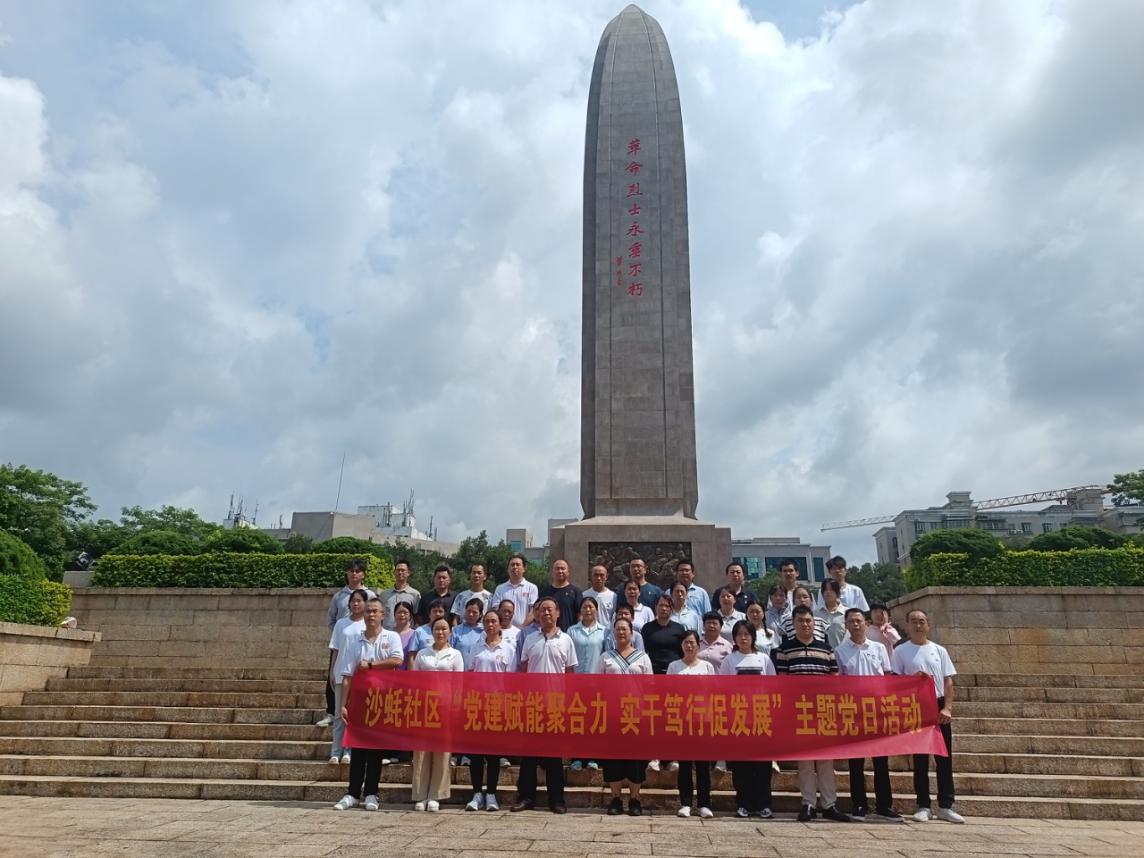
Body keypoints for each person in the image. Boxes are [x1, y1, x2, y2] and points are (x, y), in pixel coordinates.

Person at [772, 605, 850, 823]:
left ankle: (829, 804)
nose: (805, 624)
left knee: (826, 760)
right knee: (805, 761)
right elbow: (782, 681)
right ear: (793, 623)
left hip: (823, 710)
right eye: (800, 621)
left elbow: (834, 680)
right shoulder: (784, 649)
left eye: (808, 621)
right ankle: (808, 803)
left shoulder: (826, 649)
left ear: (814, 623)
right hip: (800, 711)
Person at [891, 609, 964, 824]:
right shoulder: (900, 651)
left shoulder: (939, 650)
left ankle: (946, 805)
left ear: (928, 625)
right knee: (920, 759)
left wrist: (947, 708)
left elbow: (948, 681)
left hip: (939, 705)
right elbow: (895, 682)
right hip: (916, 706)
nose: (918, 625)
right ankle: (923, 804)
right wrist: (912, 679)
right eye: (913, 621)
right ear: (907, 625)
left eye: (922, 621)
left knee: (944, 758)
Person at [333, 598, 403, 811]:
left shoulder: (391, 637)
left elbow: (397, 660)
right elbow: (347, 674)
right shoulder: (354, 641)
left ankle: (372, 792)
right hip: (360, 700)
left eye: (375, 611)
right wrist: (343, 704)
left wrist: (371, 665)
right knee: (357, 747)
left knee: (375, 749)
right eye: (368, 611)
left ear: (383, 615)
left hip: (383, 699)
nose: (371, 615)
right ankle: (352, 793)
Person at [512, 597, 577, 814]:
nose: (546, 613)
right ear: (537, 614)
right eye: (542, 610)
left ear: (558, 613)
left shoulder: (566, 640)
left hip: (556, 704)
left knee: (554, 754)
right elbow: (524, 670)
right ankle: (525, 797)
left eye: (550, 609)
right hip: (533, 703)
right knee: (529, 754)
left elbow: (570, 673)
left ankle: (556, 799)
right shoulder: (530, 639)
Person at [836, 608, 901, 821]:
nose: (855, 625)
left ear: (866, 623)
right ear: (846, 625)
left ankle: (884, 805)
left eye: (859, 621)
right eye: (851, 621)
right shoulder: (840, 651)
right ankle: (859, 804)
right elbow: (838, 682)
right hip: (854, 711)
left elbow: (887, 675)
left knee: (881, 761)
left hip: (877, 711)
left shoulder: (879, 648)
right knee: (856, 762)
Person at [720, 620, 776, 819]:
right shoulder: (729, 660)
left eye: (747, 634)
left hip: (761, 717)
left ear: (753, 636)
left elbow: (773, 687)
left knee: (762, 764)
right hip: (739, 717)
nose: (743, 638)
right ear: (734, 638)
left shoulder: (764, 659)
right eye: (739, 634)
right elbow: (723, 689)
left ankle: (764, 804)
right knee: (741, 764)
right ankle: (743, 803)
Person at [599, 616, 653, 816]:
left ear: (632, 633)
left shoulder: (642, 657)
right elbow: (598, 685)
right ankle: (615, 798)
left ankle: (635, 798)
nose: (621, 632)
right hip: (612, 713)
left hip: (635, 714)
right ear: (613, 633)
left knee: (635, 758)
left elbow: (650, 686)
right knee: (613, 757)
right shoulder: (606, 657)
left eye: (624, 629)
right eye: (618, 629)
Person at [410, 617, 464, 811]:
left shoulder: (455, 655)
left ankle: (436, 795)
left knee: (442, 751)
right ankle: (420, 794)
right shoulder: (422, 654)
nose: (440, 632)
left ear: (450, 632)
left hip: (445, 707)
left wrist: (456, 706)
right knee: (421, 750)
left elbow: (458, 684)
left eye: (444, 629)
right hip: (424, 706)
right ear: (431, 632)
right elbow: (415, 681)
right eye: (437, 629)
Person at [467, 609, 517, 810]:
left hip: (498, 706)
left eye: (493, 621)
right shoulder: (476, 647)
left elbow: (512, 681)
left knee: (494, 754)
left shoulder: (508, 649)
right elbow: (470, 674)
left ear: (499, 624)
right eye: (487, 621)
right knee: (476, 754)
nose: (490, 625)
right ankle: (476, 793)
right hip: (477, 705)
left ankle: (491, 794)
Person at [321, 558, 375, 726]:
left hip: (363, 643)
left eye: (358, 571)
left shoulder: (371, 595)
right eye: (351, 571)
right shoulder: (339, 596)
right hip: (342, 643)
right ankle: (331, 712)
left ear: (363, 574)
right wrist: (341, 635)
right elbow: (331, 619)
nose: (354, 574)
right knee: (334, 676)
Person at [667, 630, 715, 818]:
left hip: (702, 719)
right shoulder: (674, 666)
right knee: (684, 764)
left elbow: (713, 693)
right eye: (686, 642)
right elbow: (668, 693)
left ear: (698, 645)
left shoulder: (707, 667)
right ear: (681, 645)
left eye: (692, 642)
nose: (689, 646)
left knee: (703, 765)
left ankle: (704, 804)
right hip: (682, 720)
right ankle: (685, 803)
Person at [642, 593, 686, 774]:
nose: (664, 608)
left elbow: (683, 653)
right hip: (653, 679)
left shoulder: (678, 628)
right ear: (655, 608)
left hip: (673, 679)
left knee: (673, 718)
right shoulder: (647, 629)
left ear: (671, 609)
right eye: (660, 605)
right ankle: (655, 756)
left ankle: (673, 756)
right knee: (655, 719)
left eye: (667, 606)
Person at [328, 588, 368, 764]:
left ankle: (349, 750)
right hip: (341, 673)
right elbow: (335, 649)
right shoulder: (341, 624)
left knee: (353, 713)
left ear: (365, 603)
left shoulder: (368, 624)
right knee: (339, 714)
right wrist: (331, 670)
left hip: (359, 675)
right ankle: (335, 751)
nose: (356, 604)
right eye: (353, 601)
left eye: (359, 601)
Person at [567, 596, 606, 773]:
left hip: (596, 683)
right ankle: (577, 757)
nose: (588, 610)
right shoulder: (572, 631)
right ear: (580, 610)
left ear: (596, 610)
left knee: (595, 720)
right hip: (576, 683)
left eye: (591, 607)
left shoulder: (604, 631)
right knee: (578, 720)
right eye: (585, 607)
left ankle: (593, 756)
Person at [493, 553, 538, 629]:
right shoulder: (500, 588)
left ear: (524, 569)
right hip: (504, 630)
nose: (515, 567)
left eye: (518, 565)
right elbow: (496, 609)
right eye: (512, 565)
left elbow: (533, 611)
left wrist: (522, 628)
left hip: (525, 631)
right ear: (508, 569)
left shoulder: (532, 588)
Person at [538, 558, 582, 631]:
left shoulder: (576, 592)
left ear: (568, 572)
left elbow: (580, 615)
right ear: (552, 572)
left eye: (563, 568)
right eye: (557, 568)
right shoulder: (545, 592)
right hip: (549, 634)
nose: (560, 571)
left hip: (569, 633)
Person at [379, 559, 419, 631]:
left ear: (408, 573)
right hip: (387, 632)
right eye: (398, 570)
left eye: (403, 570)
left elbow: (417, 617)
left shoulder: (415, 594)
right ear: (394, 572)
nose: (400, 572)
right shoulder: (384, 595)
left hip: (406, 634)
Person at [406, 599, 447, 668]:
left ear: (444, 614)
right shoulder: (419, 631)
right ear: (429, 614)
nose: (437, 614)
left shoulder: (448, 632)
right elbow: (412, 656)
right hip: (423, 671)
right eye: (434, 611)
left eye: (440, 611)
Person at [451, 597, 485, 668]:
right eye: (468, 611)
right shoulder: (456, 630)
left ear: (480, 614)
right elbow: (450, 650)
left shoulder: (484, 631)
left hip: (479, 670)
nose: (471, 614)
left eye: (475, 612)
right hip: (459, 670)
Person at [814, 579, 847, 648]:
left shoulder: (847, 613)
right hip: (821, 652)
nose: (828, 592)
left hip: (842, 652)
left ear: (837, 593)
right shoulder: (815, 614)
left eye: (831, 590)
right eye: (825, 590)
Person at [586, 563, 617, 628]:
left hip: (607, 631)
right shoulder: (585, 595)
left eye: (601, 575)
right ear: (591, 576)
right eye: (596, 575)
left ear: (606, 577)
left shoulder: (613, 596)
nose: (598, 578)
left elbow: (614, 617)